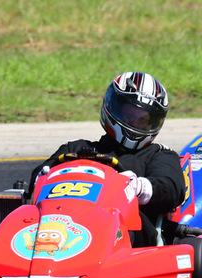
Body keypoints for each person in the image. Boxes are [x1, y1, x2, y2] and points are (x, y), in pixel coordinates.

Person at [29, 72, 189, 247]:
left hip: (127, 236)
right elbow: (38, 178)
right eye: (129, 114)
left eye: (143, 119)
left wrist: (139, 187)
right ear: (112, 107)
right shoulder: (74, 149)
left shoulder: (158, 155)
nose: (135, 122)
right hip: (64, 224)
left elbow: (172, 188)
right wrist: (43, 176)